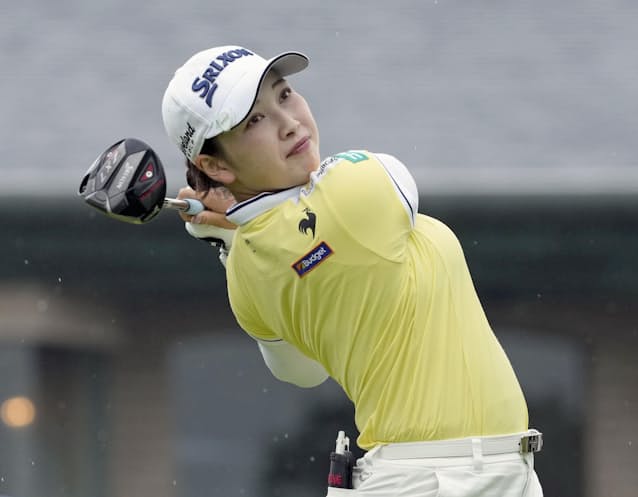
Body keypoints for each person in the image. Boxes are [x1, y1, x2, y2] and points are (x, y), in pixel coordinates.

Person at [161, 45, 544, 496]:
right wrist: (241, 223)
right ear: (214, 165)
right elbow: (395, 182)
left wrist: (234, 235)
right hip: (440, 478)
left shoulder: (243, 271)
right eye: (255, 120)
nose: (289, 123)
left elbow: (300, 371)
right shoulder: (357, 187)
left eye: (284, 95)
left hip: (460, 475)